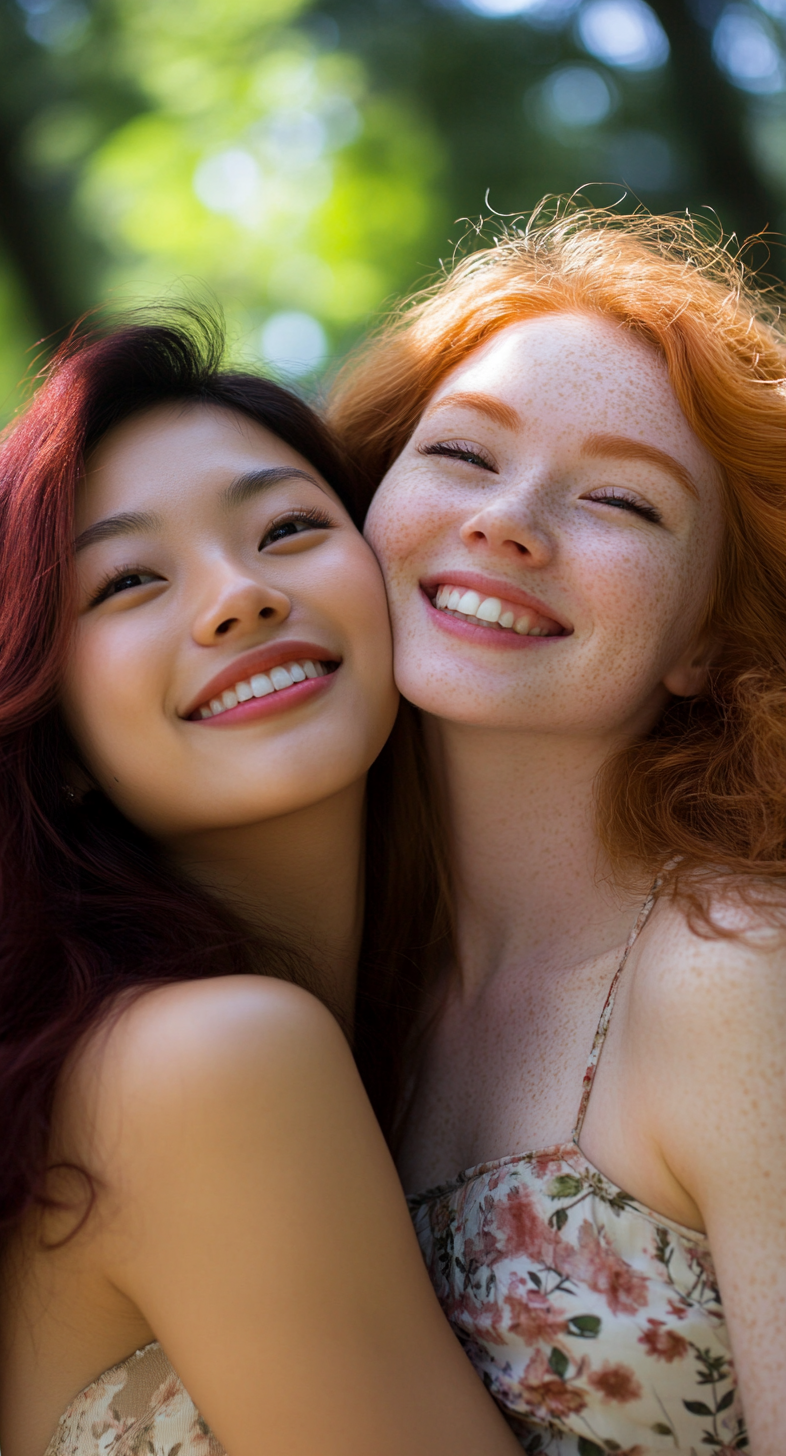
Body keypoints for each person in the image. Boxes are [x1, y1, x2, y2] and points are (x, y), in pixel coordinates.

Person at [0, 314, 522, 1456]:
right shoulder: (209, 1055)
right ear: (55, 734)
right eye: (126, 581)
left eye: (285, 527)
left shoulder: (404, 1039)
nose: (238, 596)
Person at [329, 204, 786, 1455]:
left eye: (625, 504)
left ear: (704, 639)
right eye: (465, 456)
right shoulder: (332, 977)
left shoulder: (736, 971)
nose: (509, 519)